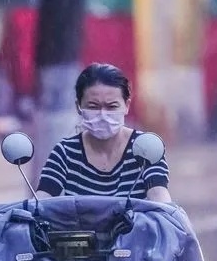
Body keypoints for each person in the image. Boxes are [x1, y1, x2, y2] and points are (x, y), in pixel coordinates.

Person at [35, 63, 171, 203]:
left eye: (111, 106)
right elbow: (42, 201)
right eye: (93, 107)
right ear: (78, 107)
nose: (102, 115)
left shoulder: (146, 148)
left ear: (127, 106)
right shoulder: (65, 152)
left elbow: (160, 197)